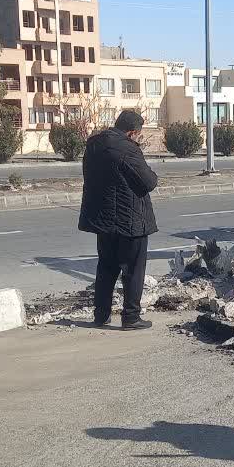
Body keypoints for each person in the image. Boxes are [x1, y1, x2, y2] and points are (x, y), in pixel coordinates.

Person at [78, 110, 159, 330]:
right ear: (132, 132)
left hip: (104, 219)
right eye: (138, 135)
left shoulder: (94, 144)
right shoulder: (127, 148)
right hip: (130, 219)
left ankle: (101, 315)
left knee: (106, 267)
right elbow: (149, 181)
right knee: (133, 269)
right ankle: (131, 317)